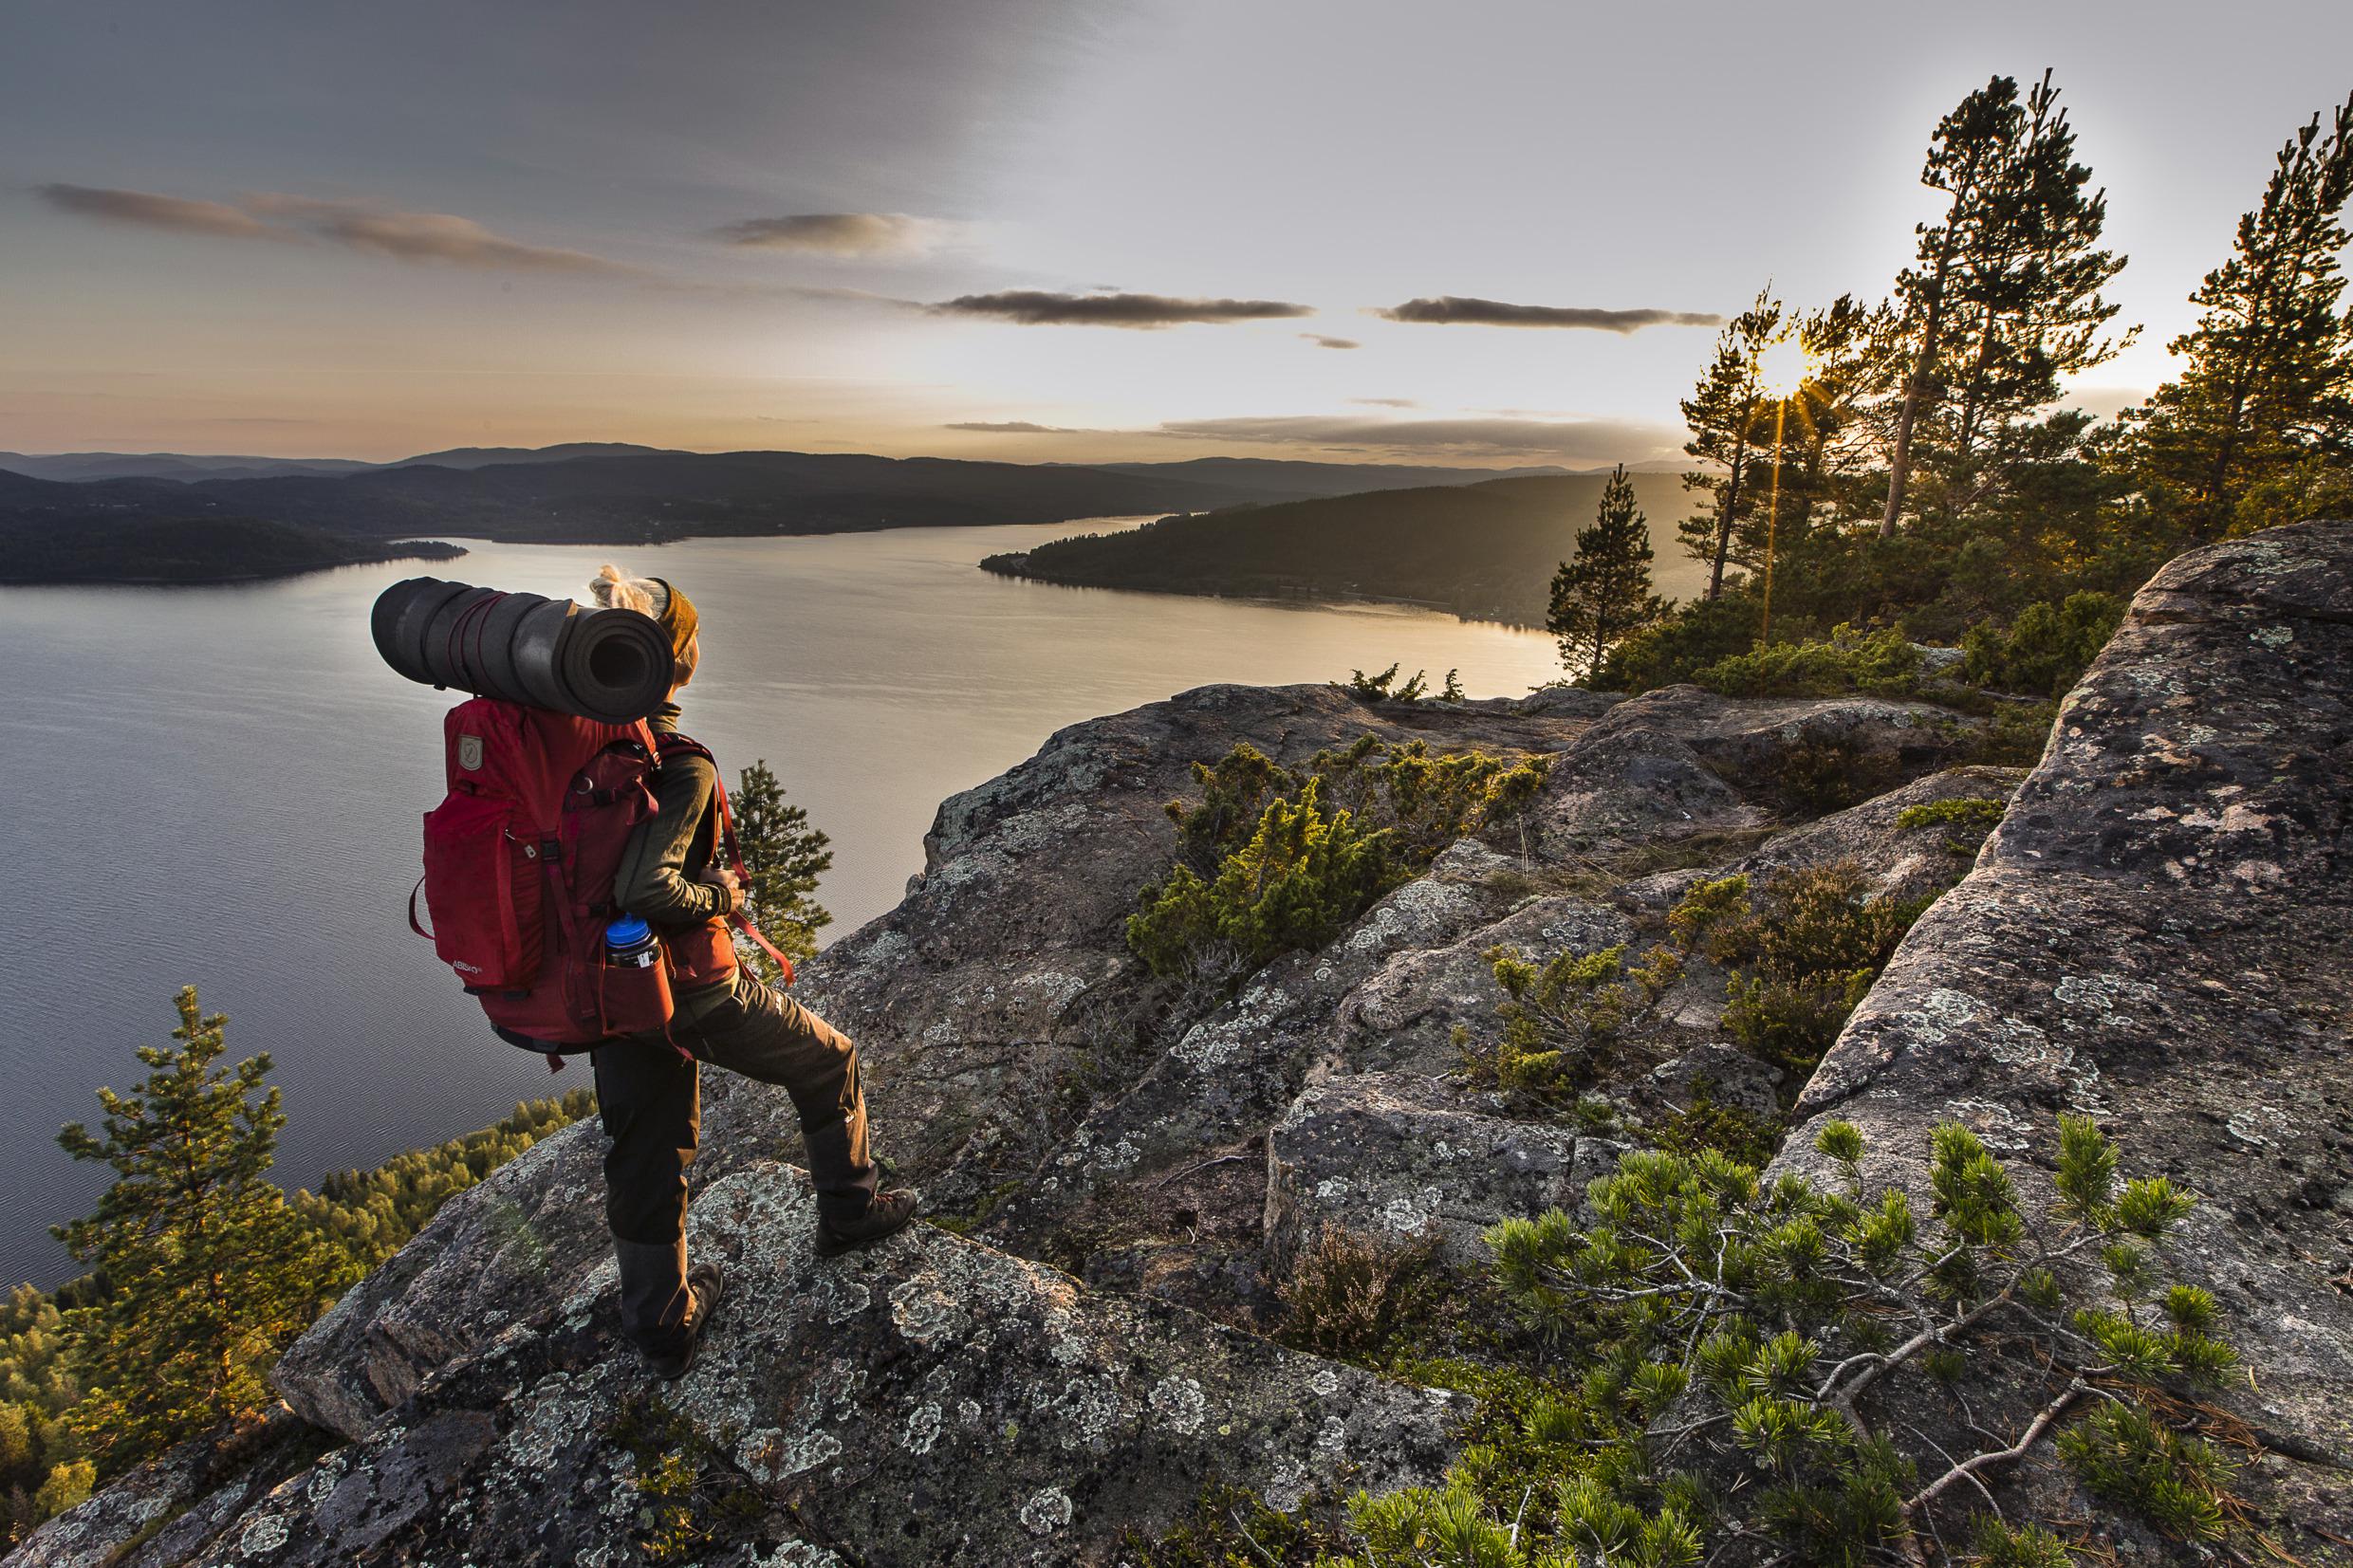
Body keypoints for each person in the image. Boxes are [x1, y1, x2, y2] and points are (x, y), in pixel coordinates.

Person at [588, 564, 916, 1380]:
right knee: (829, 1058)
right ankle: (852, 1212)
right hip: (688, 985)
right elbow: (646, 886)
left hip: (607, 985)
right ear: (676, 660)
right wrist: (722, 890)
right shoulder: (677, 762)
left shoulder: (590, 749)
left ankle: (661, 1321)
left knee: (647, 1145)